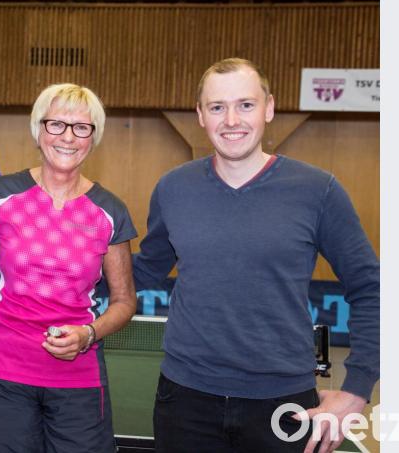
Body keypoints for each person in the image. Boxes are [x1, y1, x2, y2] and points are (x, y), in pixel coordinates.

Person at [133, 58, 379, 453]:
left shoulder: (319, 191)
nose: (231, 120)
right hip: (184, 401)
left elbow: (371, 289)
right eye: (217, 107)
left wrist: (356, 390)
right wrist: (63, 267)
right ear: (200, 115)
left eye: (245, 105)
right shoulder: (173, 189)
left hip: (283, 404)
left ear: (269, 108)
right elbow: (144, 269)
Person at [0, 83, 137, 453]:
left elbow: (125, 301)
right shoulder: (0, 196)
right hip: (0, 372)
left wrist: (88, 334)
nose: (68, 137)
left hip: (79, 378)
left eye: (81, 127)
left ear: (93, 137)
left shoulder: (111, 211)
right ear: (38, 129)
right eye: (56, 124)